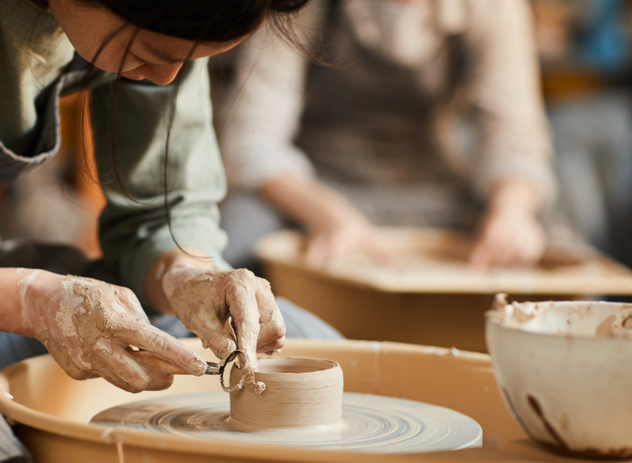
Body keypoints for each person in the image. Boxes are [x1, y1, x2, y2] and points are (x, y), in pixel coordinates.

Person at [0, 1, 345, 463]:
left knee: (307, 342)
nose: (168, 80)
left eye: (187, 61)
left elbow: (161, 209)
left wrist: (185, 276)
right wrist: (31, 299)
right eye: (153, 52)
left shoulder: (180, 24)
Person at [218, 0, 558, 272]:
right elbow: (251, 141)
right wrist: (329, 215)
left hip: (429, 186)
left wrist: (510, 212)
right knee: (232, 235)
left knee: (548, 234)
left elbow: (513, 134)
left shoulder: (494, 6)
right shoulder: (302, 5)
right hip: (314, 182)